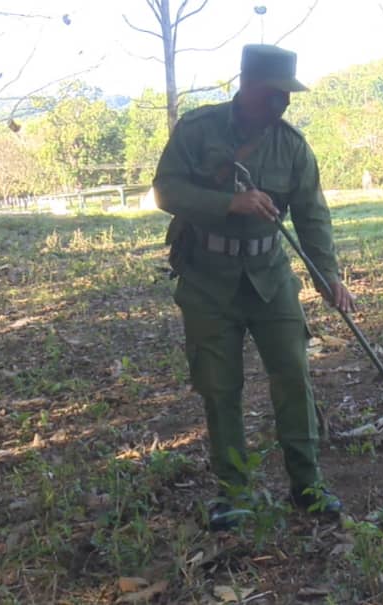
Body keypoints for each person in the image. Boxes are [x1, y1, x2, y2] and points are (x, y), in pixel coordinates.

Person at [152, 44, 356, 531]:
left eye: (286, 95)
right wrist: (230, 204)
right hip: (206, 278)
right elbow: (166, 191)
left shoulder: (292, 146)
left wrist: (327, 275)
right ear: (245, 85)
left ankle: (308, 486)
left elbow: (311, 214)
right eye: (272, 94)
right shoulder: (198, 132)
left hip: (270, 276)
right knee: (220, 387)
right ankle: (233, 492)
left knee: (292, 374)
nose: (281, 103)